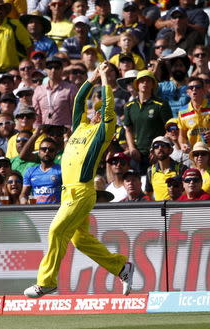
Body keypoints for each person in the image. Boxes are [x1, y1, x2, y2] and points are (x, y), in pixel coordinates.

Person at [24, 63, 133, 299]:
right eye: (93, 110)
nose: (95, 113)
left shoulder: (103, 131)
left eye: (98, 110)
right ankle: (121, 267)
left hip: (82, 192)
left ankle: (46, 282)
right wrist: (92, 77)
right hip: (67, 192)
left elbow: (108, 106)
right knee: (80, 240)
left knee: (56, 231)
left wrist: (104, 79)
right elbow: (78, 101)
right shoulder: (80, 128)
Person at [124, 70, 172, 174]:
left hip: (156, 155)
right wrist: (132, 148)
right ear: (137, 84)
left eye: (148, 81)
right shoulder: (129, 106)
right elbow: (128, 130)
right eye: (142, 81)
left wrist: (158, 150)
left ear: (153, 85)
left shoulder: (161, 104)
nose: (145, 83)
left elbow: (170, 129)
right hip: (137, 154)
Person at [0, 0, 32, 77]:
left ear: (5, 11)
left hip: (16, 71)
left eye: (0, 8)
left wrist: (25, 67)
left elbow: (29, 46)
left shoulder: (15, 25)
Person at [33, 56, 78, 127]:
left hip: (64, 133)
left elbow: (75, 113)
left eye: (56, 67)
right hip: (45, 133)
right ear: (45, 69)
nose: (53, 70)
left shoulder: (71, 89)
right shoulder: (39, 90)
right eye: (50, 67)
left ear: (62, 69)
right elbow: (37, 117)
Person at [20, 137, 62, 204]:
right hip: (36, 211)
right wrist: (23, 200)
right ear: (39, 152)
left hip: (55, 210)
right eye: (44, 149)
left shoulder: (61, 171)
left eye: (51, 150)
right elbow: (24, 194)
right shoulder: (30, 171)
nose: (47, 151)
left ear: (55, 154)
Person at [146, 136, 188, 201]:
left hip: (178, 208)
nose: (160, 148)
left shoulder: (181, 168)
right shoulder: (150, 171)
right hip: (159, 210)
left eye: (163, 145)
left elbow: (187, 192)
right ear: (153, 151)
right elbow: (148, 194)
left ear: (170, 150)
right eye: (156, 146)